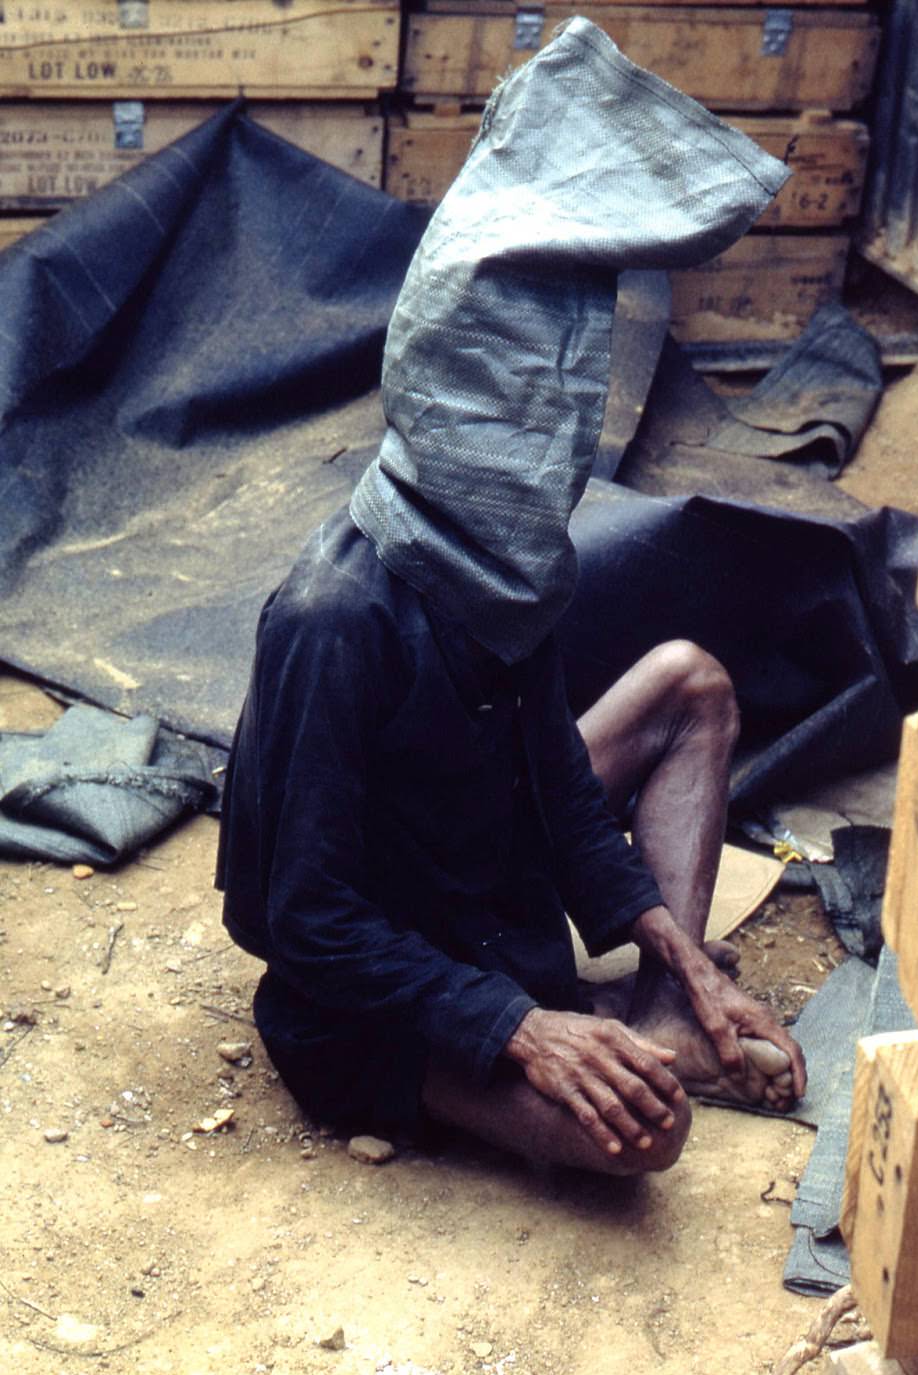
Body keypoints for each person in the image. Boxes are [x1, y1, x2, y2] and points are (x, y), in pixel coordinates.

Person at [216, 18, 806, 1175]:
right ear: (438, 409)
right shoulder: (333, 615)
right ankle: (612, 1048)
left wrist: (677, 957)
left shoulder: (512, 565)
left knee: (688, 677)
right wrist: (520, 1028)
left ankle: (658, 1012)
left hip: (488, 871)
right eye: (514, 421)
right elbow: (302, 923)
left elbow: (559, 794)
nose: (550, 453)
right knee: (650, 1134)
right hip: (372, 991)